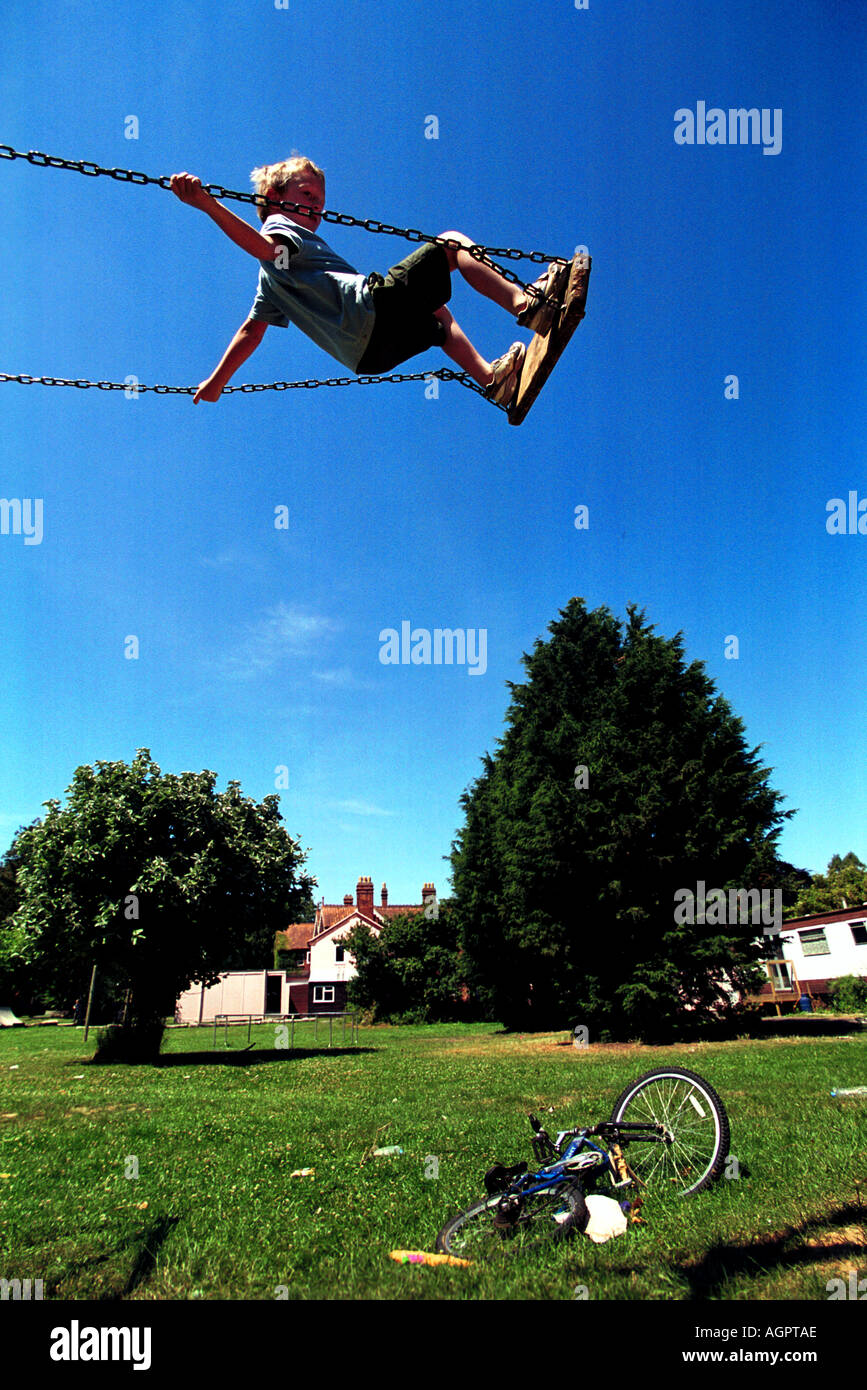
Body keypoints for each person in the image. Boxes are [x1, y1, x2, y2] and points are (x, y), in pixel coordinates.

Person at [169, 155, 568, 407]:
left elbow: (251, 332)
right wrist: (208, 204)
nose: (315, 207)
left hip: (368, 355)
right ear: (274, 196)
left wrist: (217, 381)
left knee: (436, 315)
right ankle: (528, 306)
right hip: (370, 312)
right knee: (452, 244)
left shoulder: (273, 282)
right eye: (307, 194)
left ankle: (490, 380)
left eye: (320, 204)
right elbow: (264, 247)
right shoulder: (280, 227)